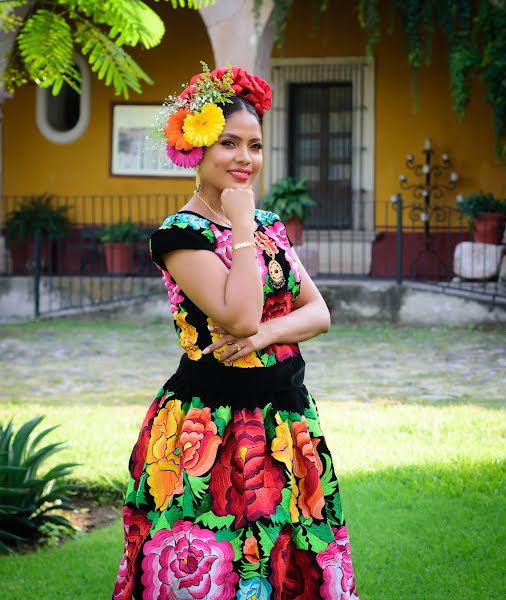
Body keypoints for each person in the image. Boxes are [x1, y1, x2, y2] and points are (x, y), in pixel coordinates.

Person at [112, 65, 360, 600]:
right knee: (216, 567)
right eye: (228, 143)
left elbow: (318, 312)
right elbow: (241, 315)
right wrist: (242, 226)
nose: (244, 159)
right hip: (211, 427)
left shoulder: (269, 224)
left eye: (255, 145)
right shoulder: (180, 235)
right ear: (195, 149)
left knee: (290, 563)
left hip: (287, 419)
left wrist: (267, 337)